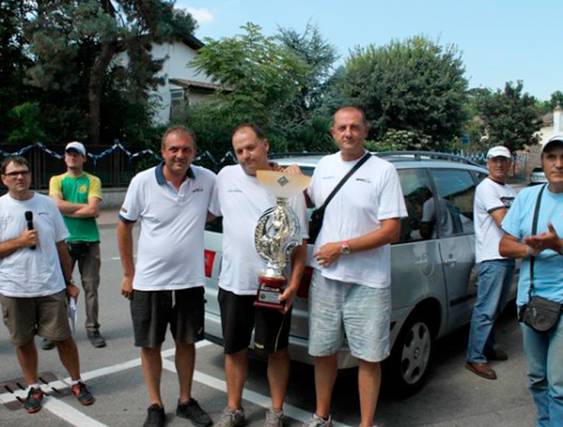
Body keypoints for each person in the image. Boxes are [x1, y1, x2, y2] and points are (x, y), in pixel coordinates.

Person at [304, 106, 407, 427]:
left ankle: (366, 424)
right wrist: (277, 176)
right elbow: (307, 200)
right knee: (323, 352)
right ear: (332, 133)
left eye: (354, 127)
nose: (348, 133)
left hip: (368, 282)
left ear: (365, 130)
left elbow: (392, 230)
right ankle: (322, 416)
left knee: (369, 358)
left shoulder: (383, 171)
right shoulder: (324, 166)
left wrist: (343, 247)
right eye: (342, 128)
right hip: (326, 278)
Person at [209, 124, 308, 427]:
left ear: (265, 145)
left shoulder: (287, 184)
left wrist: (293, 283)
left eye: (250, 147)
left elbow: (300, 243)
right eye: (239, 150)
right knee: (234, 349)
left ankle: (275, 411)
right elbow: (207, 211)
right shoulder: (225, 176)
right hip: (234, 283)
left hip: (273, 285)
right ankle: (233, 408)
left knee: (276, 351)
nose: (245, 155)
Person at [116, 127, 215, 427]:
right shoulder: (142, 182)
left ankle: (185, 400)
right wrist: (127, 274)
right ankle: (155, 404)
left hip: (189, 282)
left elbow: (217, 209)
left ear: (194, 152)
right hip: (149, 283)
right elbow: (123, 227)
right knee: (150, 345)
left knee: (187, 343)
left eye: (186, 149)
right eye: (173, 149)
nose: (179, 155)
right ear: (162, 152)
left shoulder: (207, 180)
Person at [0, 156, 95, 414]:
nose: (20, 177)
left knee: (64, 338)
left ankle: (77, 381)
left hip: (50, 286)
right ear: (4, 179)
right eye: (13, 174)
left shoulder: (46, 204)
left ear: (30, 175)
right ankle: (33, 387)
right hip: (14, 289)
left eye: (24, 172)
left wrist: (69, 281)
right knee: (23, 341)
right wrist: (19, 241)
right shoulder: (0, 208)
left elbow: (60, 245)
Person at [499, 135, 563, 426]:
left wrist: (557, 245)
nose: (559, 164)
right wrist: (531, 249)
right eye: (552, 157)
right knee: (537, 378)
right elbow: (504, 246)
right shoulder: (527, 197)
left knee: (559, 386)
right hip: (531, 302)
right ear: (543, 162)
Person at [47, 141, 105, 350]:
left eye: (76, 154)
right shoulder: (57, 180)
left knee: (91, 288)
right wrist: (86, 207)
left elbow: (93, 211)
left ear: (84, 158)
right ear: (64, 157)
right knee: (59, 288)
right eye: (69, 154)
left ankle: (92, 328)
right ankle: (55, 331)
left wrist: (67, 208)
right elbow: (56, 206)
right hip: (64, 242)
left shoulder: (93, 180)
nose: (72, 157)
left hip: (89, 241)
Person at [465, 145, 516, 380]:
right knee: (485, 309)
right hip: (492, 257)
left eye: (504, 161)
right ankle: (475, 358)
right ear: (487, 163)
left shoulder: (509, 190)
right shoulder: (486, 188)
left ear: (510, 164)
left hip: (506, 256)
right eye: (495, 161)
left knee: (496, 308)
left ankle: (487, 346)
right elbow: (505, 222)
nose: (499, 165)